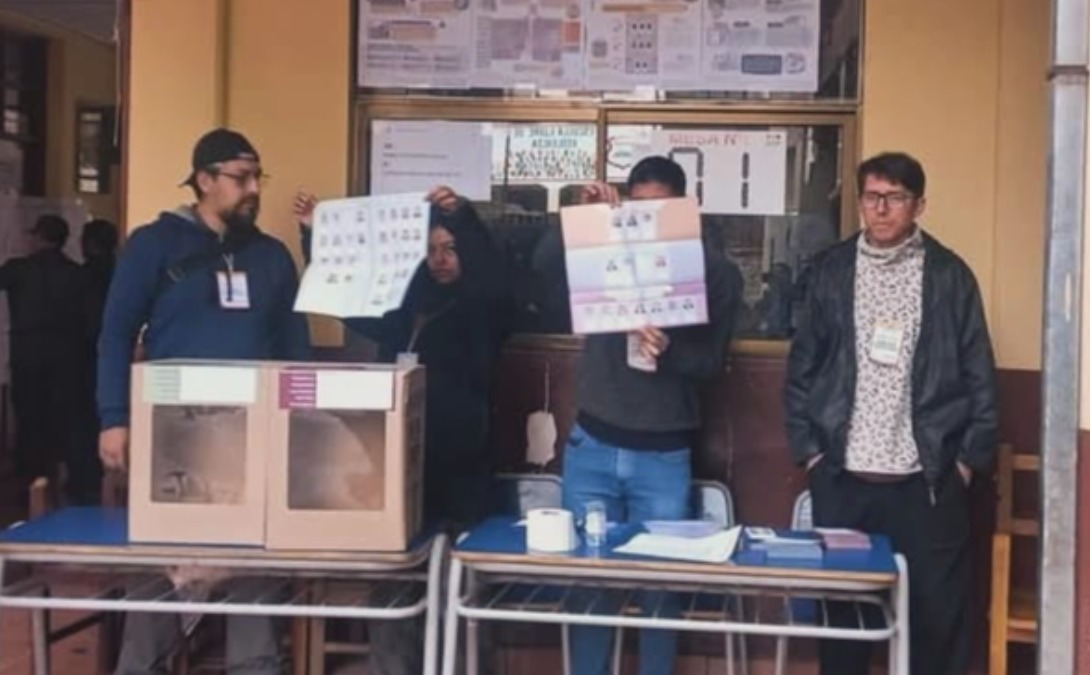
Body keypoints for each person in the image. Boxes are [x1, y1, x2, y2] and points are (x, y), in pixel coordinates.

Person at [97, 128, 311, 675]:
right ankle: (142, 666)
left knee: (255, 565)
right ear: (204, 180)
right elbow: (117, 331)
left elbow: (294, 346)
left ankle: (256, 666)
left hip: (256, 435)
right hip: (175, 432)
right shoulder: (155, 244)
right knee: (162, 564)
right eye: (241, 178)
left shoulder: (271, 257)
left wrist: (300, 427)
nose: (253, 189)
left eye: (258, 177)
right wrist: (114, 418)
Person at [784, 152, 998, 675]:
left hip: (925, 482)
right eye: (872, 197)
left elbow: (980, 379)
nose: (881, 210)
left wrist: (965, 465)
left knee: (935, 624)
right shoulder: (830, 272)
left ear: (919, 205)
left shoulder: (949, 276)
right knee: (845, 625)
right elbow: (801, 370)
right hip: (845, 477)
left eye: (895, 198)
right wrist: (812, 455)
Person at [536, 156, 743, 675]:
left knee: (661, 590)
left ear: (683, 209)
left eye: (661, 209)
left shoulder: (715, 272)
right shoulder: (604, 247)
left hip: (664, 453)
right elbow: (539, 277)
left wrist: (669, 350)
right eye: (638, 208)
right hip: (593, 443)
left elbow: (711, 363)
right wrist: (582, 223)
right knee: (587, 585)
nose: (649, 220)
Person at [294, 185, 511, 675]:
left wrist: (467, 221)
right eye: (430, 250)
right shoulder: (401, 310)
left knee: (462, 590)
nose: (440, 260)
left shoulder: (485, 310)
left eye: (450, 249)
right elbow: (347, 296)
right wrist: (314, 238)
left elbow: (493, 282)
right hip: (396, 470)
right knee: (394, 592)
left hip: (462, 472)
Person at [0, 214, 86, 507]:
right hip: (66, 357)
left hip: (27, 355)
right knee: (60, 419)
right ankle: (56, 480)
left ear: (38, 238)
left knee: (28, 418)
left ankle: (29, 483)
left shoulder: (17, 269)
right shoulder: (77, 273)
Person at [67, 218, 121, 504]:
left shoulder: (82, 275)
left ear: (88, 243)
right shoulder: (122, 271)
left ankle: (84, 485)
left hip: (83, 357)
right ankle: (107, 483)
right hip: (115, 362)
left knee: (81, 422)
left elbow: (85, 323)